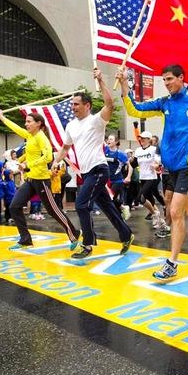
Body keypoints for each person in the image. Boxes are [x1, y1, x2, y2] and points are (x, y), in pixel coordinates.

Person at [118, 64, 188, 280]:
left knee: (176, 212)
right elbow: (134, 109)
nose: (166, 83)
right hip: (172, 168)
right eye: (164, 80)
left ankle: (172, 263)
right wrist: (124, 85)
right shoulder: (164, 103)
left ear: (181, 78)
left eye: (169, 79)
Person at [53, 69, 133, 259]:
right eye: (72, 104)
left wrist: (101, 80)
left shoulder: (96, 121)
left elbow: (110, 103)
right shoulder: (71, 126)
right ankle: (126, 234)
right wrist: (55, 162)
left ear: (87, 105)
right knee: (108, 207)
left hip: (99, 170)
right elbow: (65, 148)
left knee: (81, 205)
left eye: (76, 104)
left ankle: (88, 244)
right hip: (86, 173)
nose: (72, 107)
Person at [0, 110, 81, 251]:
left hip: (41, 180)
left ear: (38, 123)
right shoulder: (29, 135)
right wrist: (2, 117)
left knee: (53, 211)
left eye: (29, 121)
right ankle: (25, 239)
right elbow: (16, 128)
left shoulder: (41, 137)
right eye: (26, 121)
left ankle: (74, 234)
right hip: (30, 180)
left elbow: (47, 158)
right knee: (14, 206)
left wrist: (28, 165)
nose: (26, 124)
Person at [104, 134, 132, 221]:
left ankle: (120, 214)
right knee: (111, 199)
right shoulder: (105, 150)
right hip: (107, 180)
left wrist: (128, 177)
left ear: (116, 141)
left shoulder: (120, 153)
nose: (109, 141)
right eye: (108, 139)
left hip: (118, 180)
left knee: (111, 197)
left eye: (111, 139)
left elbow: (130, 166)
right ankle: (123, 209)